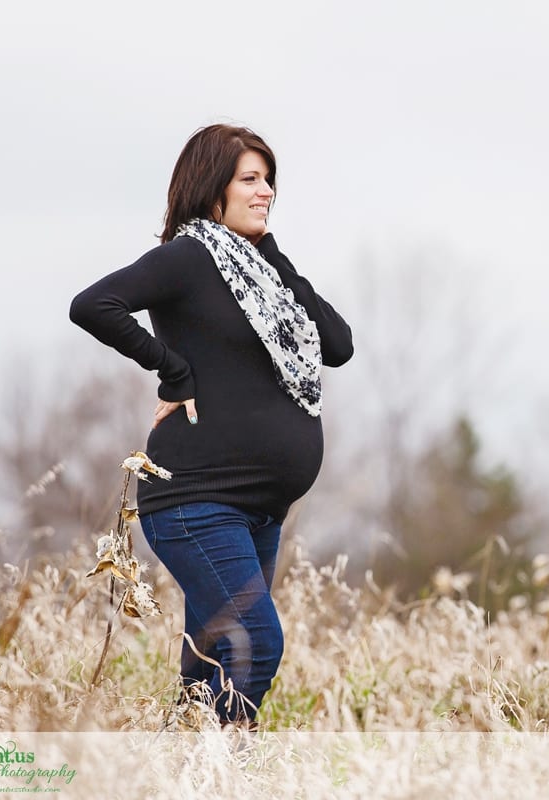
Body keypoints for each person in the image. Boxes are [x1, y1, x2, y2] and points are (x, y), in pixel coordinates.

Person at [69, 123, 353, 726]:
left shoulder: (264, 276)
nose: (266, 192)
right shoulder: (188, 258)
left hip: (259, 509)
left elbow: (337, 344)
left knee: (206, 668)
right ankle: (224, 775)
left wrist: (274, 257)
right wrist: (171, 370)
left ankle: (179, 772)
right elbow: (94, 304)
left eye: (269, 180)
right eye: (250, 179)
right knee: (255, 644)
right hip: (196, 499)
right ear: (211, 189)